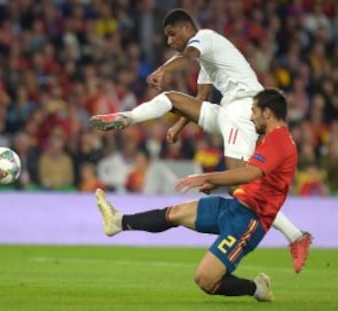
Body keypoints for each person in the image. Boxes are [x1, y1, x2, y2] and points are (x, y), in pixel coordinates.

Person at [90, 8, 311, 272]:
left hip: (244, 109)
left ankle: (296, 236)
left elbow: (188, 55)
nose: (170, 41)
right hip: (227, 111)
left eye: (172, 35)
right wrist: (181, 125)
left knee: (238, 184)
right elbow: (202, 100)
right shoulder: (208, 60)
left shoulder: (204, 38)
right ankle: (125, 118)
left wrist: (162, 69)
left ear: (186, 29)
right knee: (171, 98)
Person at [94, 89, 298, 302]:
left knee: (205, 280)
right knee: (176, 213)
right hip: (236, 207)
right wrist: (212, 181)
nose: (250, 116)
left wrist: (207, 177)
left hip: (249, 221)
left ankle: (257, 289)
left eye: (254, 111)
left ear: (267, 113)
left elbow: (249, 173)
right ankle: (118, 222)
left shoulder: (278, 141)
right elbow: (253, 176)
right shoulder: (272, 139)